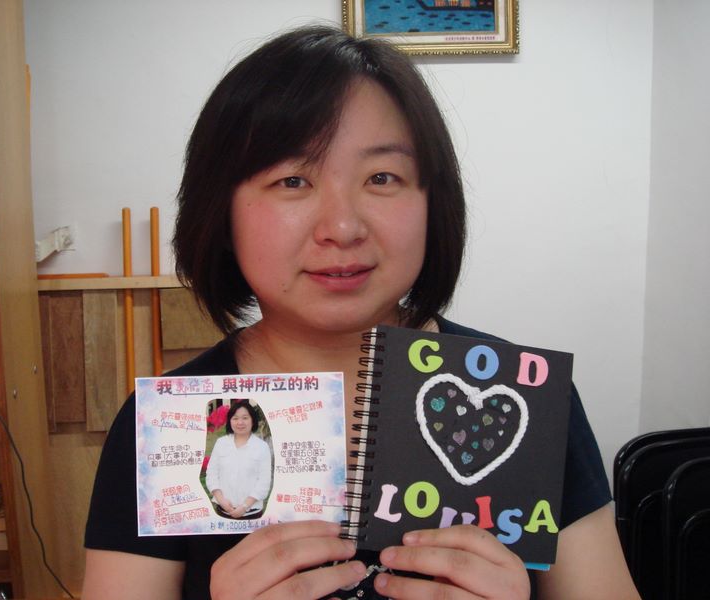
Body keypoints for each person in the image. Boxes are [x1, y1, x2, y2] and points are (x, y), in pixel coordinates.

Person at [83, 25, 640, 599]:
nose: (343, 228)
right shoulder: (161, 430)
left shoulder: (525, 398)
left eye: (382, 178)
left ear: (433, 201)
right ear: (221, 213)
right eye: (292, 180)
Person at [205, 401, 272, 519]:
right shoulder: (221, 443)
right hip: (222, 512)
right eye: (235, 418)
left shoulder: (262, 447)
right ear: (230, 421)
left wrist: (245, 506)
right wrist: (221, 501)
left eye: (245, 418)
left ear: (252, 420)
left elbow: (264, 481)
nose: (240, 422)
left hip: (251, 513)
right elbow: (211, 474)